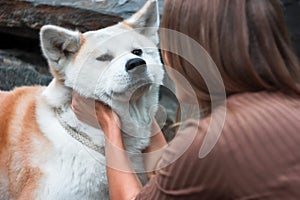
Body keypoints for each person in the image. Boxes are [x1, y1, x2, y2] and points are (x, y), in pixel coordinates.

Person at [72, 0, 300, 199]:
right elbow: (169, 177)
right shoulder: (288, 104)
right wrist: (138, 107)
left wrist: (109, 124)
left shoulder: (212, 137)